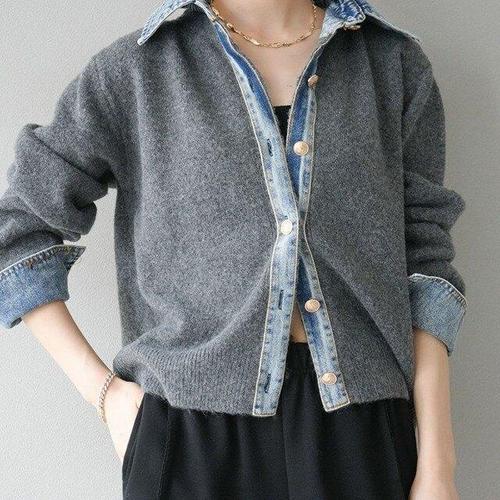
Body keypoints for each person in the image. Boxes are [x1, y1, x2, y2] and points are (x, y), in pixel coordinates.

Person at [0, 0, 467, 498]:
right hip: (189, 435)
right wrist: (106, 396)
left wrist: (439, 461)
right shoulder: (138, 71)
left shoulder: (391, 64)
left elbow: (424, 264)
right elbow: (18, 230)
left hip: (363, 432)